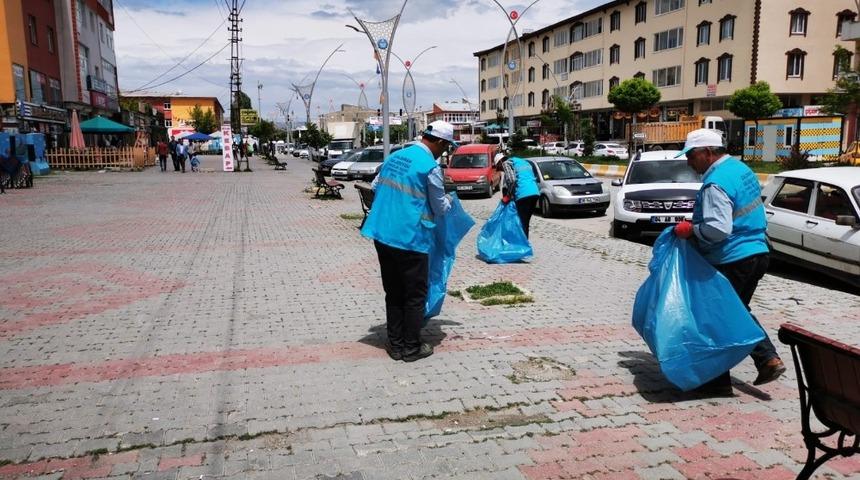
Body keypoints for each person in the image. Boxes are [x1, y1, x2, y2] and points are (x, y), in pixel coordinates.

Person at [673, 129, 786, 396]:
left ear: (708, 153)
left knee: (715, 318)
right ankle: (767, 359)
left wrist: (691, 231)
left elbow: (718, 229)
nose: (689, 162)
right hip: (758, 252)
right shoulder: (739, 168)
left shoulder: (715, 183)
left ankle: (718, 382)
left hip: (733, 257)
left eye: (691, 155)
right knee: (735, 311)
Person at [361, 120, 457, 362]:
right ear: (439, 142)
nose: (444, 152)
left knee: (393, 292)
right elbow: (439, 207)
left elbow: (375, 186)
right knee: (415, 294)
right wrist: (451, 201)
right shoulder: (430, 167)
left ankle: (395, 345)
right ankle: (411, 347)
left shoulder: (395, 157)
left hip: (382, 234)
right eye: (445, 147)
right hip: (410, 238)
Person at [500, 153, 540, 238]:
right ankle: (525, 244)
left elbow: (512, 180)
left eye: (498, 167)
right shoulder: (524, 162)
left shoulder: (506, 163)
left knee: (522, 222)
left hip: (523, 194)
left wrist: (508, 195)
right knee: (526, 222)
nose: (501, 170)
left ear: (500, 162)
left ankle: (522, 247)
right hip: (535, 192)